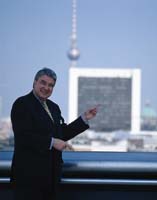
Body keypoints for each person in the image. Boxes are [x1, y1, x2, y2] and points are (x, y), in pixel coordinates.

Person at [10, 68, 98, 200]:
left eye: (51, 85)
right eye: (43, 83)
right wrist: (52, 142)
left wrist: (84, 118)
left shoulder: (53, 107)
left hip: (51, 179)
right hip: (28, 179)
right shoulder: (22, 104)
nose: (46, 88)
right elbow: (24, 137)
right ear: (34, 83)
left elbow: (61, 133)